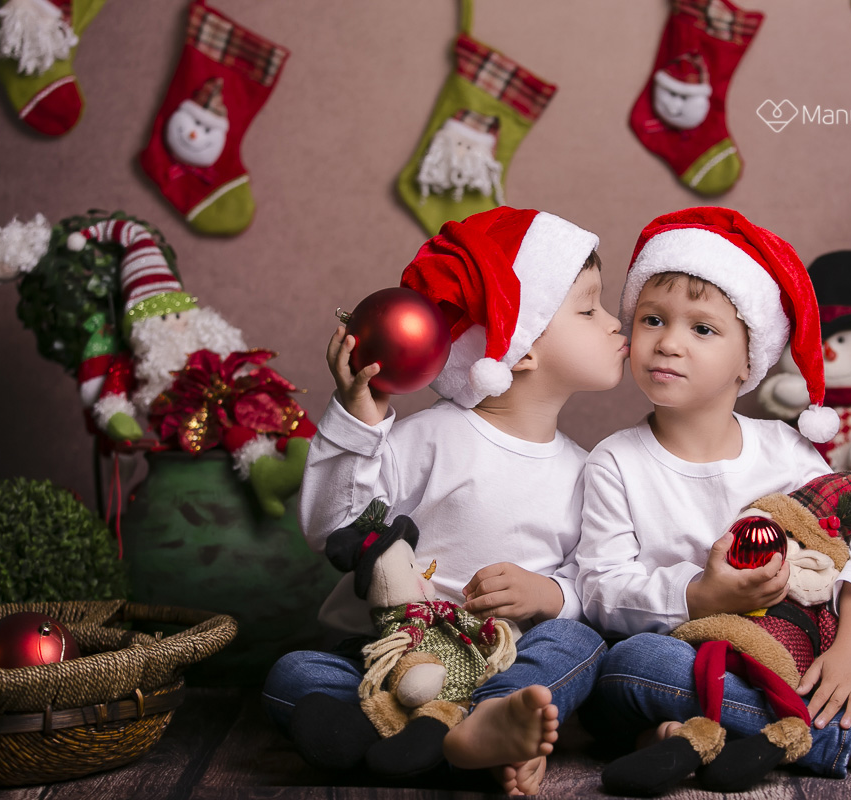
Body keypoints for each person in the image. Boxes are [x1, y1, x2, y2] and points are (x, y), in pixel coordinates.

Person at [575, 207, 851, 792]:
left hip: (795, 646)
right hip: (688, 651)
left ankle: (691, 735)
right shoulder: (615, 461)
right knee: (628, 668)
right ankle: (843, 743)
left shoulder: (787, 450)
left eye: (702, 328)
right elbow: (600, 587)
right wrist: (701, 594)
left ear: (751, 358)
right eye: (652, 319)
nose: (668, 342)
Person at [263, 206, 628, 796]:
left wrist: (549, 593)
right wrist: (358, 424)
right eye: (589, 309)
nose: (616, 323)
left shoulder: (592, 470)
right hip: (395, 658)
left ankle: (484, 721)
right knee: (293, 674)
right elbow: (335, 527)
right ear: (520, 346)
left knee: (577, 644)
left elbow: (596, 580)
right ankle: (452, 741)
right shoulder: (428, 439)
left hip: (501, 659)